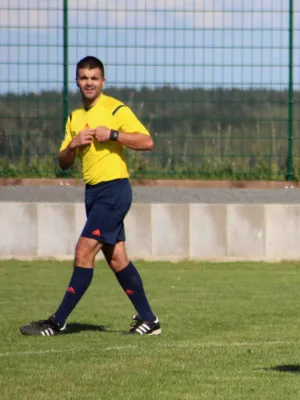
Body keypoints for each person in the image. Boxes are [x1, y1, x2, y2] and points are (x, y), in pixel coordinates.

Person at [20, 56, 161, 336]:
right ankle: (149, 320)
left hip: (115, 190)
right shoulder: (75, 117)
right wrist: (72, 144)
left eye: (94, 78)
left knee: (83, 251)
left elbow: (147, 141)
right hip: (93, 193)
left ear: (103, 81)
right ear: (77, 81)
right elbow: (63, 162)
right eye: (84, 77)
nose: (89, 82)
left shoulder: (115, 108)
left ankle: (57, 321)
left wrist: (114, 134)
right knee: (117, 259)